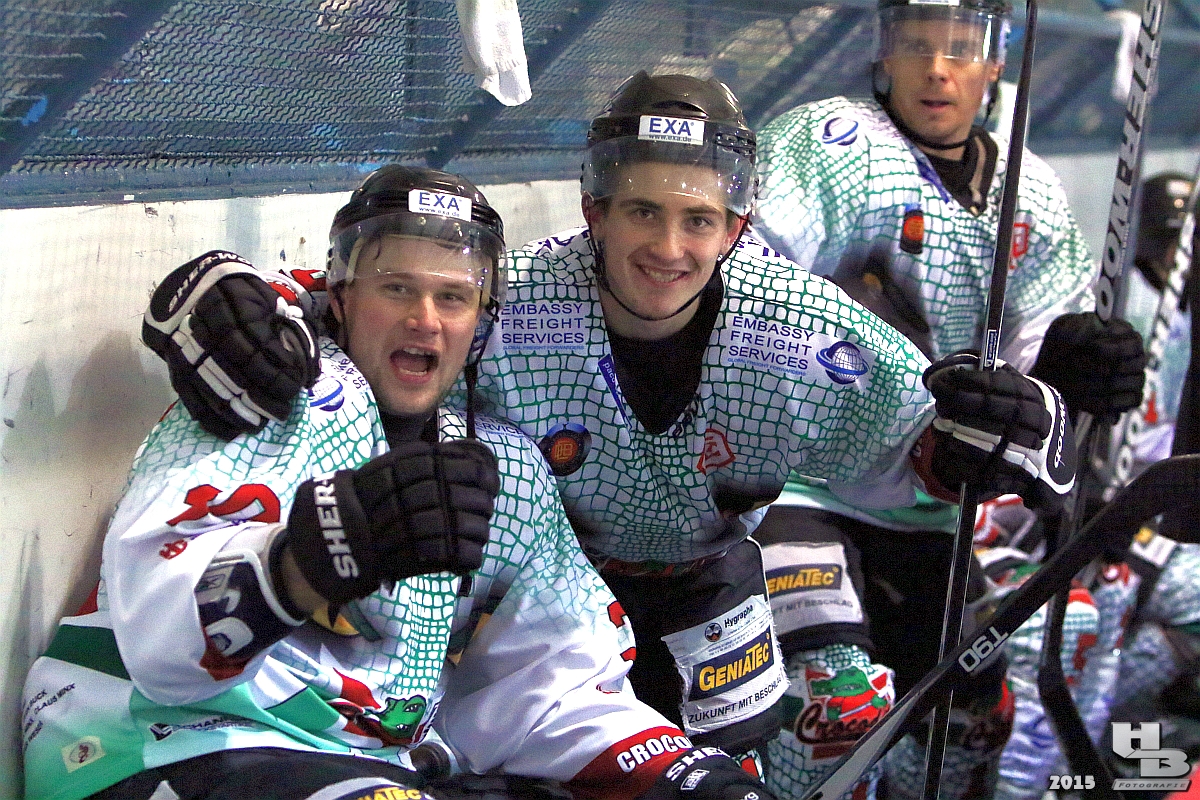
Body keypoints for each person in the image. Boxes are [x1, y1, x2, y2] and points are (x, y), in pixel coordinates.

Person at [132, 72, 1078, 785]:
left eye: (697, 219)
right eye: (641, 212)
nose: (667, 248)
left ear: (738, 226)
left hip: (705, 587)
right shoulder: (513, 295)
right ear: (592, 210)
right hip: (549, 582)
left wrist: (1008, 429)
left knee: (742, 768)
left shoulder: (802, 325)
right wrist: (227, 298)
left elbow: (928, 446)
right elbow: (366, 305)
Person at [20, 166, 779, 800]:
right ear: (341, 296)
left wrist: (675, 772)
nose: (425, 319)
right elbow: (158, 643)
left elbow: (555, 684)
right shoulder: (265, 397)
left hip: (358, 768)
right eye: (395, 288)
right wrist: (303, 561)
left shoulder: (505, 469)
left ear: (482, 320)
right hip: (149, 739)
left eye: (453, 297)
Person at [749, 0, 1147, 796]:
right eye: (917, 45)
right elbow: (747, 279)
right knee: (835, 702)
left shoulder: (1031, 189)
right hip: (800, 485)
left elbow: (1037, 361)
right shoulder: (833, 143)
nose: (937, 69)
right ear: (883, 54)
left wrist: (1070, 372)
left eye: (960, 48)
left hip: (933, 498)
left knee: (970, 719)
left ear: (995, 63)